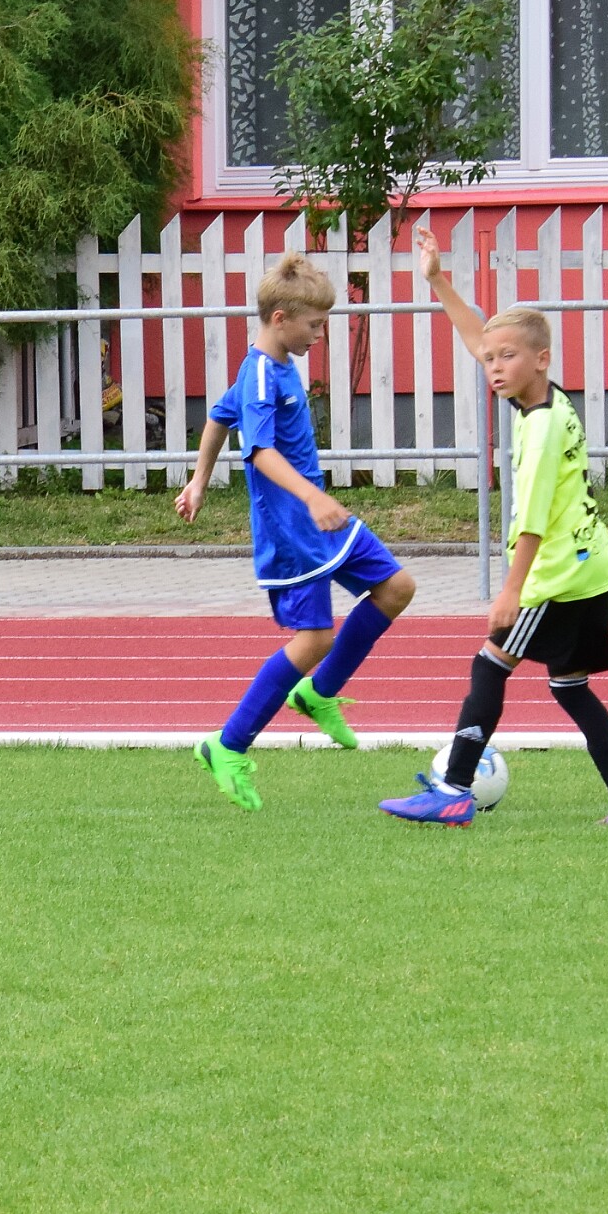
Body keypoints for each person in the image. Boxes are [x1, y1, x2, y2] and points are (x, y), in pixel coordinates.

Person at [380, 231, 608, 827]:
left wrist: (510, 591)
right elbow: (479, 338)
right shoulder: (545, 400)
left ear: (542, 358)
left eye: (506, 357)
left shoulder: (539, 430)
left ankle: (453, 790)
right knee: (570, 688)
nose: (494, 367)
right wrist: (437, 281)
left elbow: (532, 520)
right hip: (592, 568)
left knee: (489, 665)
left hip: (556, 576)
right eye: (490, 360)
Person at [176, 250, 416, 810]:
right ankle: (227, 745)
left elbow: (217, 416)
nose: (320, 335)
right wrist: (312, 496)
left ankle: (318, 693)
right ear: (280, 319)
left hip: (320, 520)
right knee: (315, 639)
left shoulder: (271, 365)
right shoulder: (262, 373)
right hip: (293, 529)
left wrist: (198, 481)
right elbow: (258, 450)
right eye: (315, 325)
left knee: (397, 588)